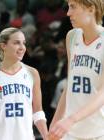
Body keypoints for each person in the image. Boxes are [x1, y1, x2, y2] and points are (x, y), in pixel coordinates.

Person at [49, 0, 104, 140]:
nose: (68, 13)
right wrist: (55, 124)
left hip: (98, 131)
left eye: (73, 7)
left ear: (91, 9)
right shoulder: (72, 37)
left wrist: (71, 119)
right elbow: (70, 85)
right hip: (69, 132)